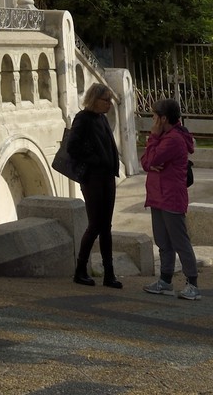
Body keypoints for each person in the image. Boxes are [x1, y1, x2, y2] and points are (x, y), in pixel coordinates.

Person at [141, 97, 200, 299]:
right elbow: (145, 161)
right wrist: (151, 158)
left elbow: (152, 159)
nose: (153, 121)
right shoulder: (165, 137)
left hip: (171, 197)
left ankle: (192, 283)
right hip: (158, 195)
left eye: (155, 116)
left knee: (179, 241)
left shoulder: (173, 139)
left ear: (163, 118)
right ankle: (165, 281)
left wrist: (153, 138)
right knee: (163, 241)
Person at [66, 81, 122, 287]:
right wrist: (96, 161)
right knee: (96, 224)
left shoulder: (102, 119)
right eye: (105, 100)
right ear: (94, 99)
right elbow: (73, 147)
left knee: (106, 226)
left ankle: (109, 273)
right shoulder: (83, 118)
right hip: (93, 178)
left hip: (107, 177)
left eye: (109, 100)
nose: (109, 104)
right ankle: (80, 269)